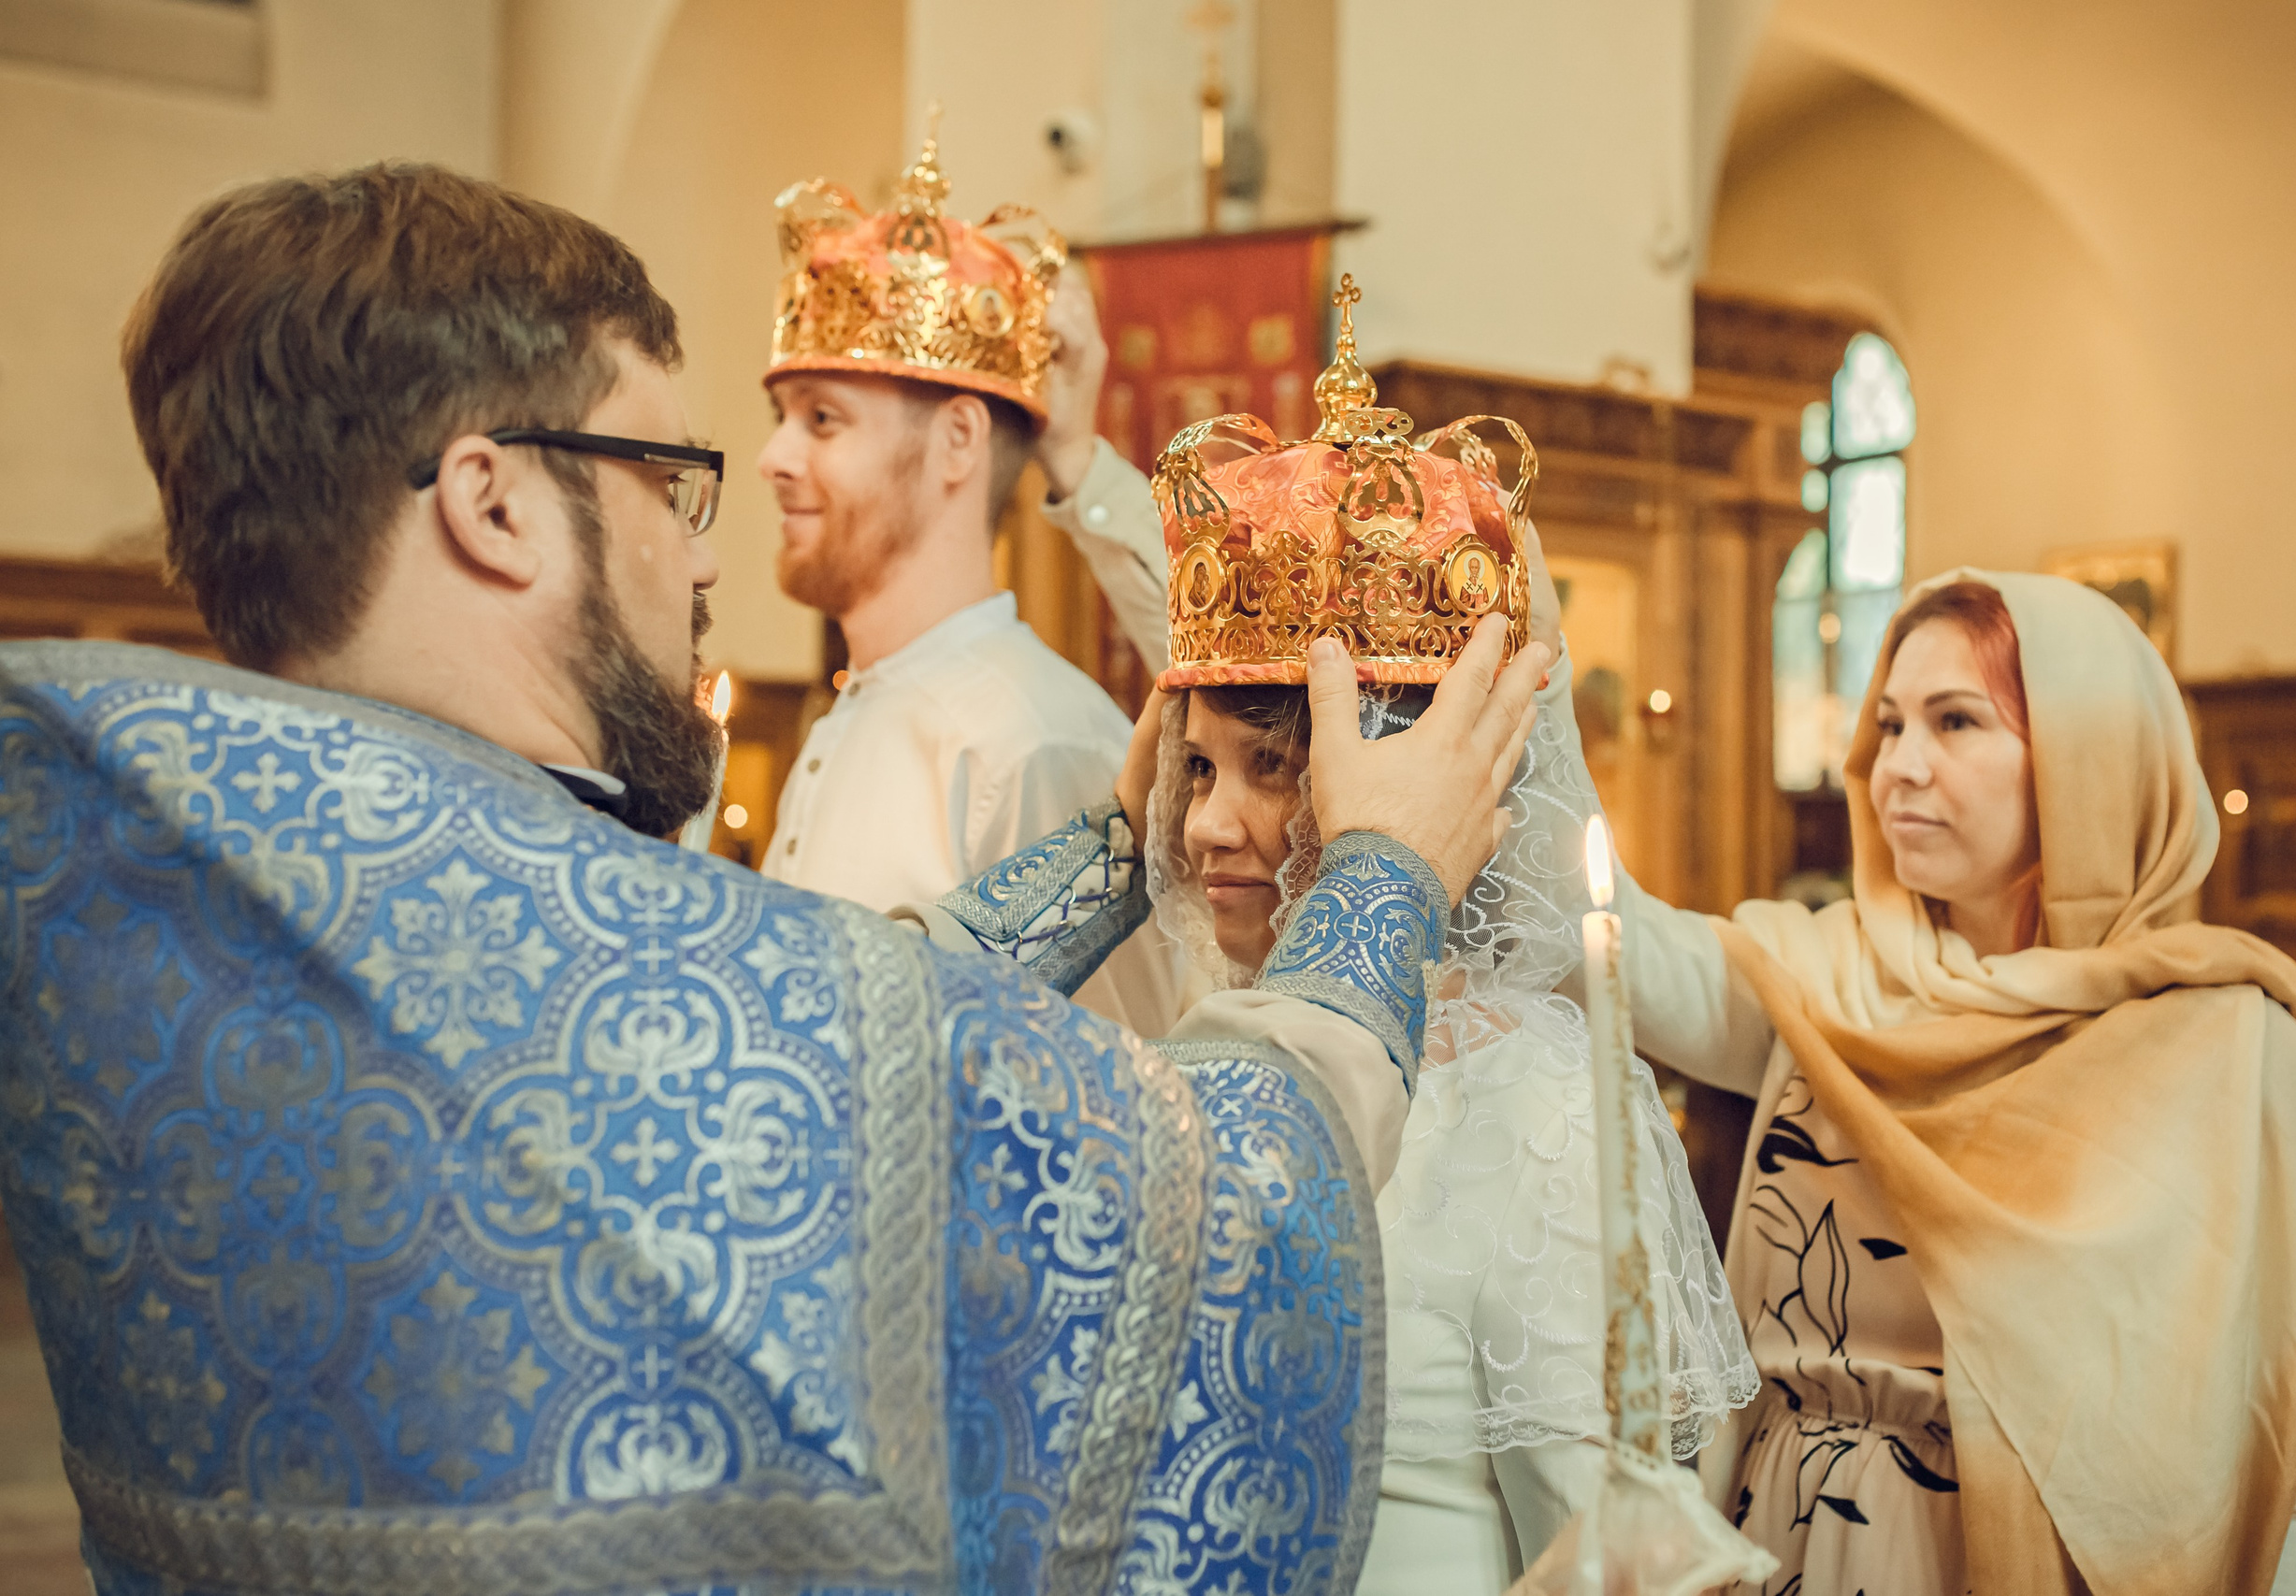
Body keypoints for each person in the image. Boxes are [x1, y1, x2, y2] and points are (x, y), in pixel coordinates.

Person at [0, 162, 1552, 1596]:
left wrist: (1105, 860)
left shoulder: (159, 895)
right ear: (489, 503)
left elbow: (823, 1012)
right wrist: (1376, 884)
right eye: (672, 478)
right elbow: (1217, 1223)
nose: (705, 555)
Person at [908, 281, 1762, 1595]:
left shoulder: (1530, 1099)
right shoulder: (1191, 1043)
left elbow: (1601, 1555)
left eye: (1276, 767)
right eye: (1195, 770)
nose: (1208, 827)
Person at [1610, 569, 2296, 1591]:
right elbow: (1603, 937)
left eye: (1954, 722)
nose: (1898, 767)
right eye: (1888, 725)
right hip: (1794, 1540)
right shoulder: (1822, 982)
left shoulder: (2237, 1062)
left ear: (2089, 763)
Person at [756, 125, 1177, 1034]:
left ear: (957, 442)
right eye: (782, 416)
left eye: (823, 419)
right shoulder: (858, 712)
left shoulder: (1033, 743)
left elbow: (1130, 1096)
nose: (773, 456)